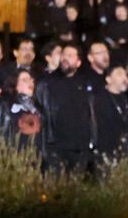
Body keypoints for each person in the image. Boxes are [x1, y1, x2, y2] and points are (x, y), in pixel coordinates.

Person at [36, 41, 97, 174]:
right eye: (63, 54)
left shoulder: (85, 85)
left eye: (70, 55)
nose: (64, 58)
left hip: (81, 149)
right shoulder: (47, 84)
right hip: (56, 149)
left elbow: (91, 115)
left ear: (78, 62)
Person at [0, 67, 46, 152]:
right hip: (12, 159)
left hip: (35, 159)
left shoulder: (37, 108)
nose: (30, 82)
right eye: (25, 80)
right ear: (15, 84)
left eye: (31, 79)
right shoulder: (5, 104)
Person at [91, 63, 128, 162]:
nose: (124, 78)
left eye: (125, 75)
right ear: (108, 79)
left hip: (125, 150)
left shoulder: (127, 99)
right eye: (119, 74)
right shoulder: (99, 99)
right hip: (106, 150)